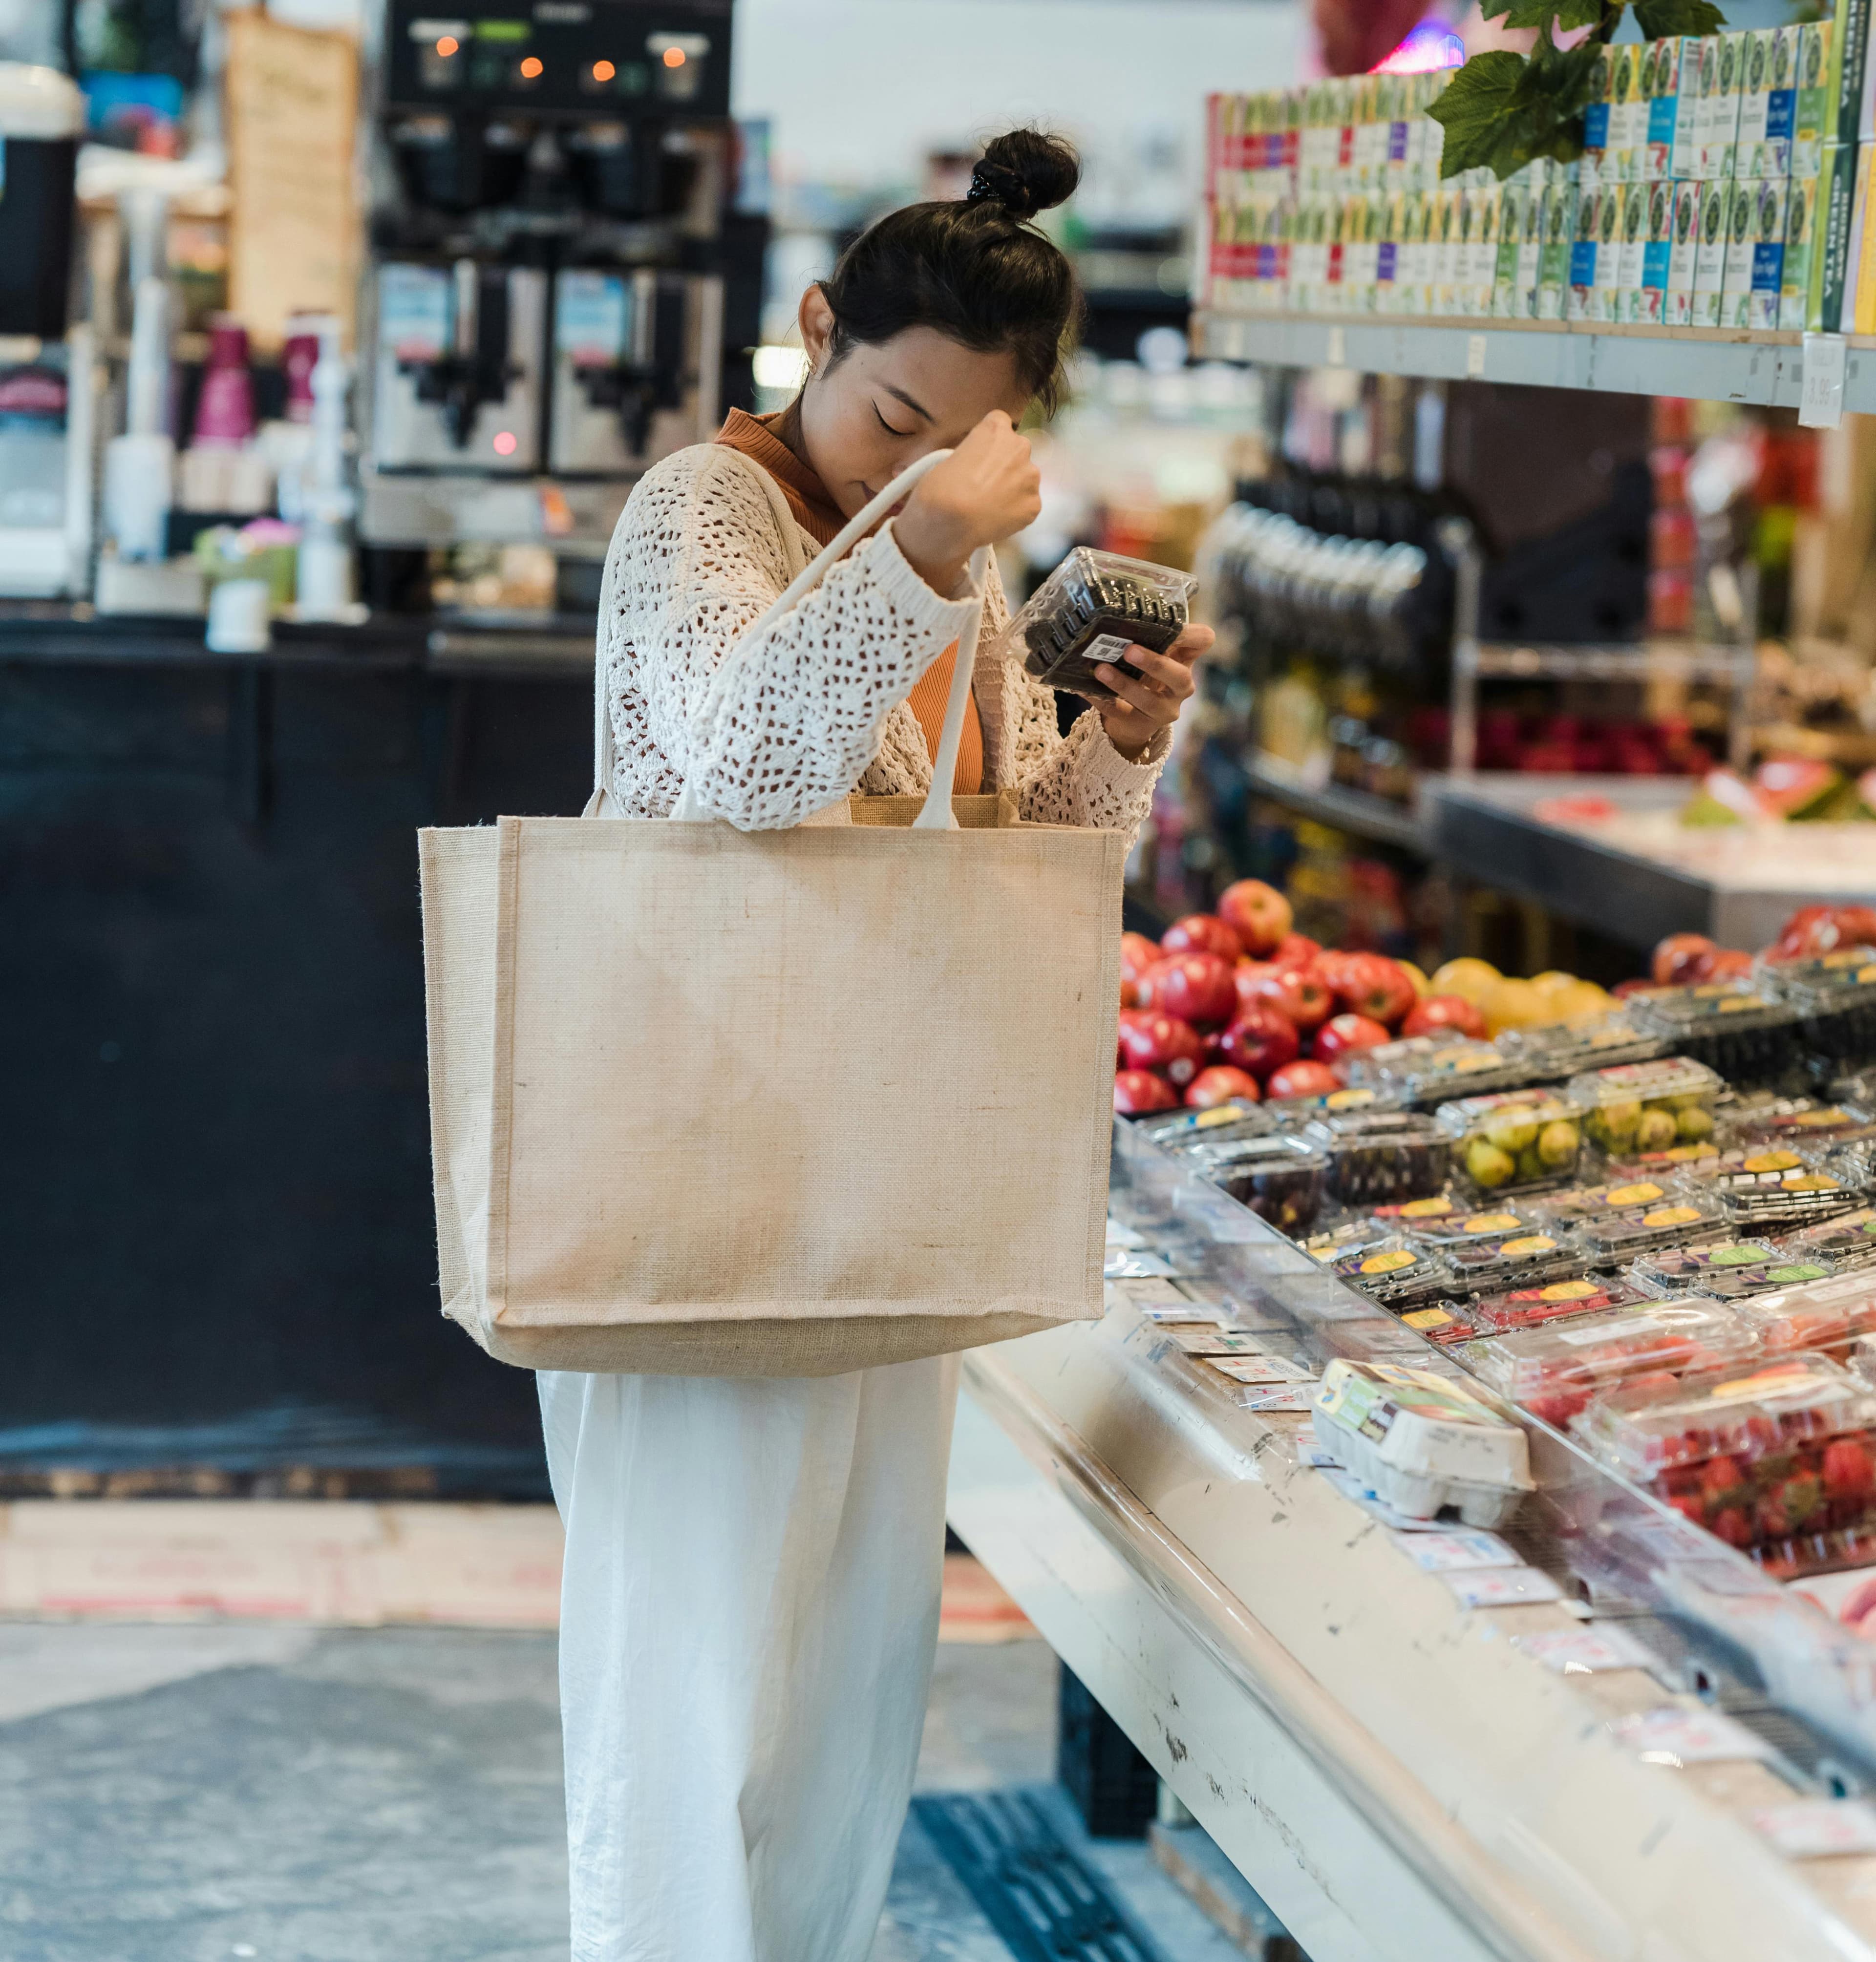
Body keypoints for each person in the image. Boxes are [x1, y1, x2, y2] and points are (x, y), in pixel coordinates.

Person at [538, 127, 1213, 1962]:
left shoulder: (964, 570)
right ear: (819, 330)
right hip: (695, 1173)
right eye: (893, 416)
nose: (914, 467)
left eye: (961, 443)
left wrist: (1121, 742)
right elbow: (745, 773)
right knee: (693, 1692)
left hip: (881, 1179)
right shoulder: (702, 509)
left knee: (847, 1690)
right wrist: (920, 546)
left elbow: (1019, 871)